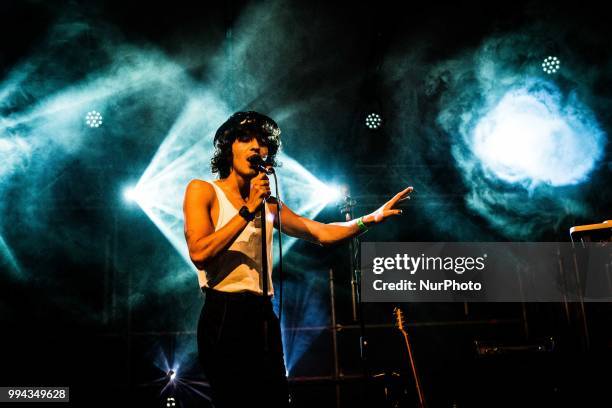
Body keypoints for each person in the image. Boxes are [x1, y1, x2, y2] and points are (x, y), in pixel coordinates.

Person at [182, 111, 412, 407]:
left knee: (276, 400)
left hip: (263, 313)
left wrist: (371, 218)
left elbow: (321, 232)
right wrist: (246, 210)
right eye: (245, 139)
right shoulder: (203, 190)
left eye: (262, 142)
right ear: (228, 148)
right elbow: (200, 254)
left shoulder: (268, 204)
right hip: (225, 312)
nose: (255, 146)